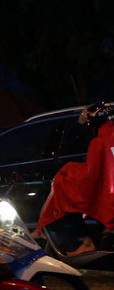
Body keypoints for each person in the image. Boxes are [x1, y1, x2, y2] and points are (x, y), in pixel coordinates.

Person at [37, 102, 114, 255]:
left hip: (106, 192)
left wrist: (69, 171)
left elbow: (92, 174)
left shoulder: (99, 142)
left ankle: (85, 243)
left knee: (68, 196)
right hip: (109, 192)